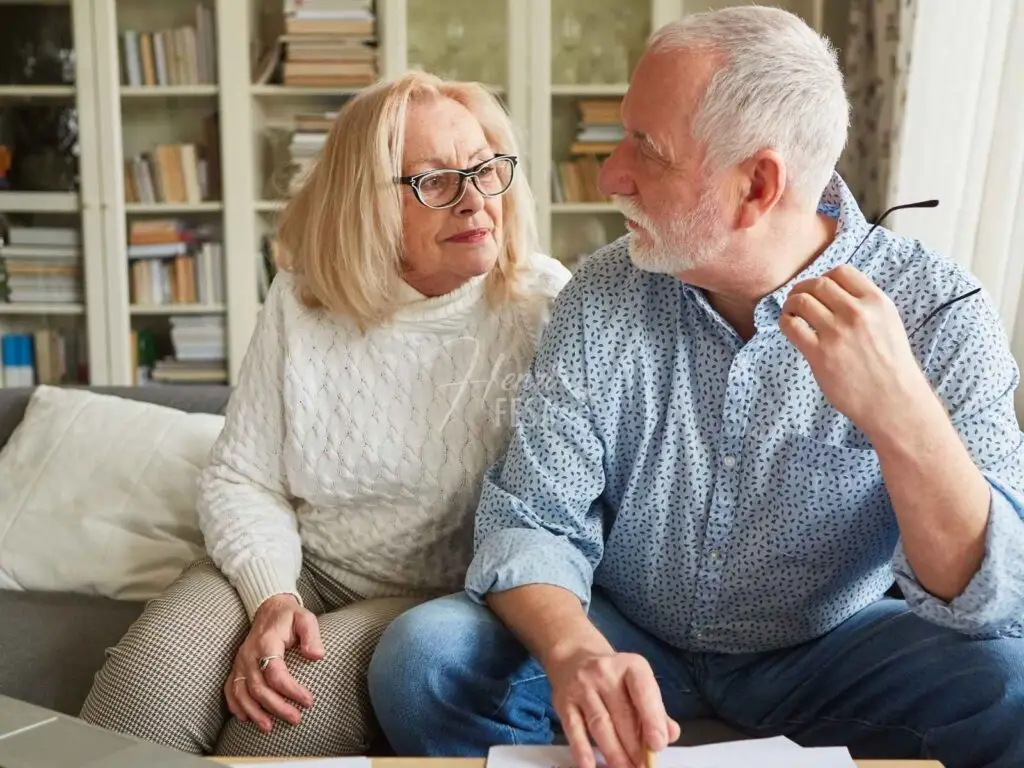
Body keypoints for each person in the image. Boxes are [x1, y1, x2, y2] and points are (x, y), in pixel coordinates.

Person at [367, 8, 1024, 768]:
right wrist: (576, 652)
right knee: (423, 660)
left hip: (832, 648)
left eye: (646, 149)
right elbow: (534, 520)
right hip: (628, 629)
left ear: (757, 185)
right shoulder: (603, 291)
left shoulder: (940, 310)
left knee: (1012, 689)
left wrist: (901, 414)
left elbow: (993, 601)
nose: (612, 174)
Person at [79, 71, 571, 758]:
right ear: (365, 204)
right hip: (303, 565)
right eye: (433, 180)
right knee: (140, 697)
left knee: (272, 723)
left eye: (485, 169)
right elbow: (242, 478)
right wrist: (272, 598)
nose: (474, 201)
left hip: (435, 600)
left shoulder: (547, 306)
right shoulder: (303, 296)